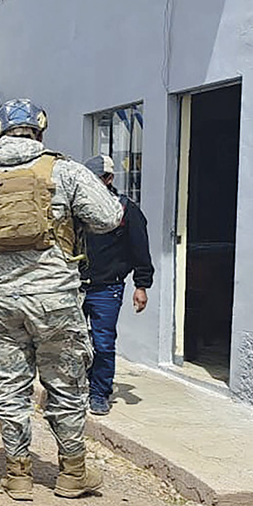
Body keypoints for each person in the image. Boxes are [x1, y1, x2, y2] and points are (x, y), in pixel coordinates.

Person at [0, 98, 123, 501]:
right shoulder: (65, 171)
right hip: (54, 296)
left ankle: (17, 474)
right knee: (66, 384)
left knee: (11, 385)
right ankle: (72, 472)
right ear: (39, 130)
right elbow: (107, 219)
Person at [80, 154, 154, 416]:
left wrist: (141, 285)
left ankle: (99, 393)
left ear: (109, 179)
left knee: (103, 343)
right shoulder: (77, 208)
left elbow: (140, 249)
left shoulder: (125, 210)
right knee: (72, 341)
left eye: (96, 179)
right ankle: (76, 390)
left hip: (107, 288)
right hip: (74, 286)